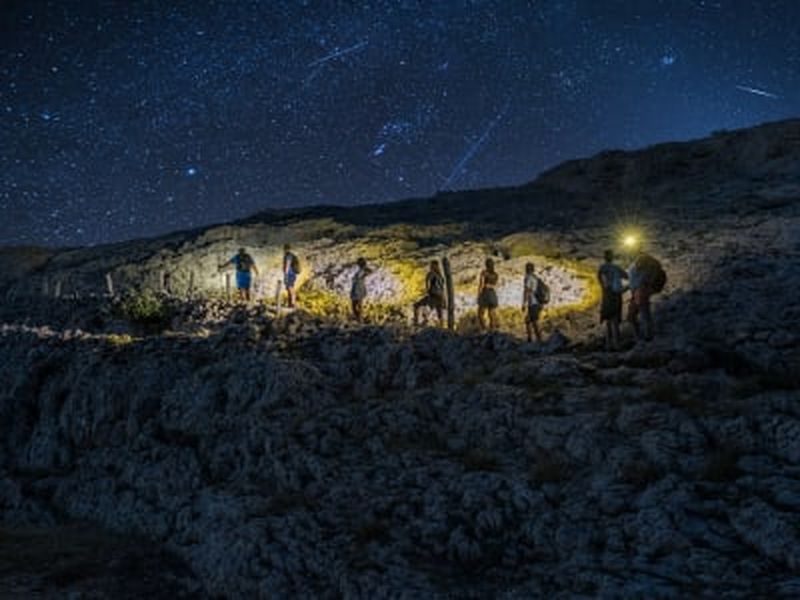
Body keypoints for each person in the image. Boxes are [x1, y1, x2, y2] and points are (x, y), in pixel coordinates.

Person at [627, 248, 662, 341]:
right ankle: (641, 336)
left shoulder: (642, 260)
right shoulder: (634, 263)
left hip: (640, 290)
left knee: (643, 313)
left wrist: (647, 285)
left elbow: (642, 273)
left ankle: (647, 336)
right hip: (636, 292)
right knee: (634, 315)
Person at [597, 249, 628, 350]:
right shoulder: (615, 267)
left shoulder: (601, 268)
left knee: (608, 320)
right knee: (615, 319)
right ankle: (617, 344)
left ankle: (608, 344)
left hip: (606, 295)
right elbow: (626, 276)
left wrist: (604, 286)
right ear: (612, 257)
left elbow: (599, 280)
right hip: (615, 295)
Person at [413, 260, 446, 327]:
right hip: (440, 297)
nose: (430, 267)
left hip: (433, 296)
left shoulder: (431, 274)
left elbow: (427, 285)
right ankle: (442, 328)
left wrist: (427, 290)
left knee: (416, 306)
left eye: (431, 265)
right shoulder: (441, 276)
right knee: (439, 315)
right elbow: (442, 289)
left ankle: (416, 323)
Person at [522, 262, 545, 343]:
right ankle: (530, 338)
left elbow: (526, 291)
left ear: (527, 269)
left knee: (534, 322)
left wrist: (523, 303)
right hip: (539, 302)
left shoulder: (528, 278)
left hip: (533, 302)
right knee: (528, 320)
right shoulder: (536, 278)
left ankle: (539, 340)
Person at [477, 258, 499, 331]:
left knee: (480, 313)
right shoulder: (495, 274)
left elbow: (482, 284)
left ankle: (484, 329)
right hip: (493, 293)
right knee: (491, 313)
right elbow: (496, 285)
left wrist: (479, 294)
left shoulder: (484, 273)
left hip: (485, 293)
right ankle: (492, 329)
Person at [350, 257, 370, 322]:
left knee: (356, 304)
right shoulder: (361, 270)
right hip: (358, 287)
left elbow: (369, 272)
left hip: (358, 287)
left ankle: (359, 318)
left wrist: (362, 276)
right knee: (356, 304)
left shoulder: (362, 270)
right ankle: (359, 318)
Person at [282, 244, 300, 308]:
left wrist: (286, 275)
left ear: (285, 249)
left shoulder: (288, 256)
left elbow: (287, 265)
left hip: (289, 273)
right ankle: (291, 303)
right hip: (293, 273)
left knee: (290, 288)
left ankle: (292, 303)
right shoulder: (292, 255)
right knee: (291, 287)